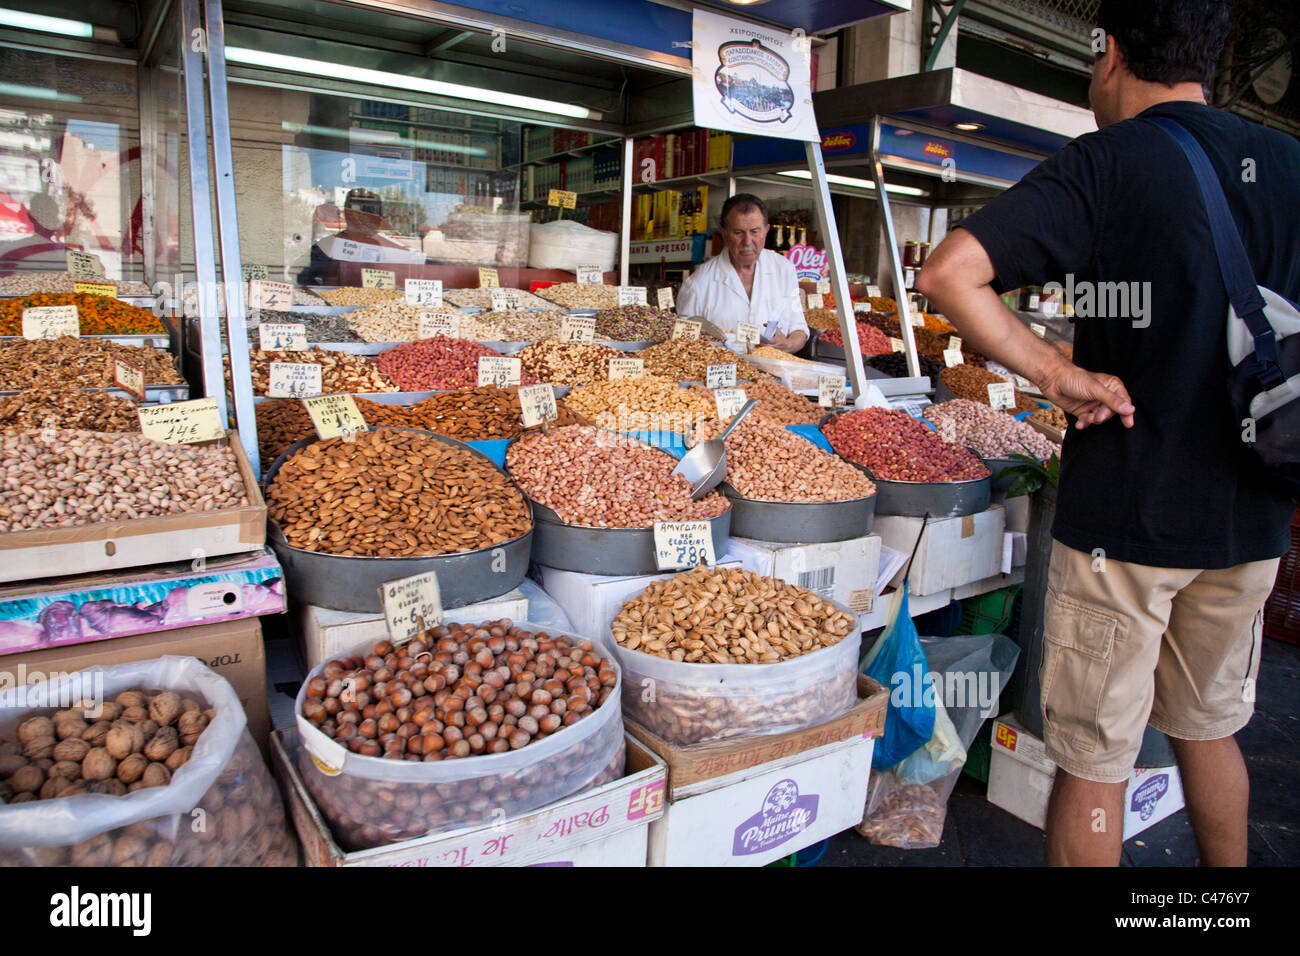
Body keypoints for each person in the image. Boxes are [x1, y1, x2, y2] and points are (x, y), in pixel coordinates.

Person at [917, 0, 1297, 867]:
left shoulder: (1110, 161)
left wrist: (1054, 372)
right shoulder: (1287, 163)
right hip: (1254, 513)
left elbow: (950, 273)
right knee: (1210, 729)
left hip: (1129, 519)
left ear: (1112, 55)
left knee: (1096, 759)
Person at [676, 193, 809, 353]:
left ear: (766, 231)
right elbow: (681, 343)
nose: (747, 242)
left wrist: (787, 344)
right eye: (738, 233)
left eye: (755, 232)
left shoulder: (784, 269)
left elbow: (799, 328)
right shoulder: (698, 284)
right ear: (724, 234)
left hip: (774, 374)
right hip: (721, 374)